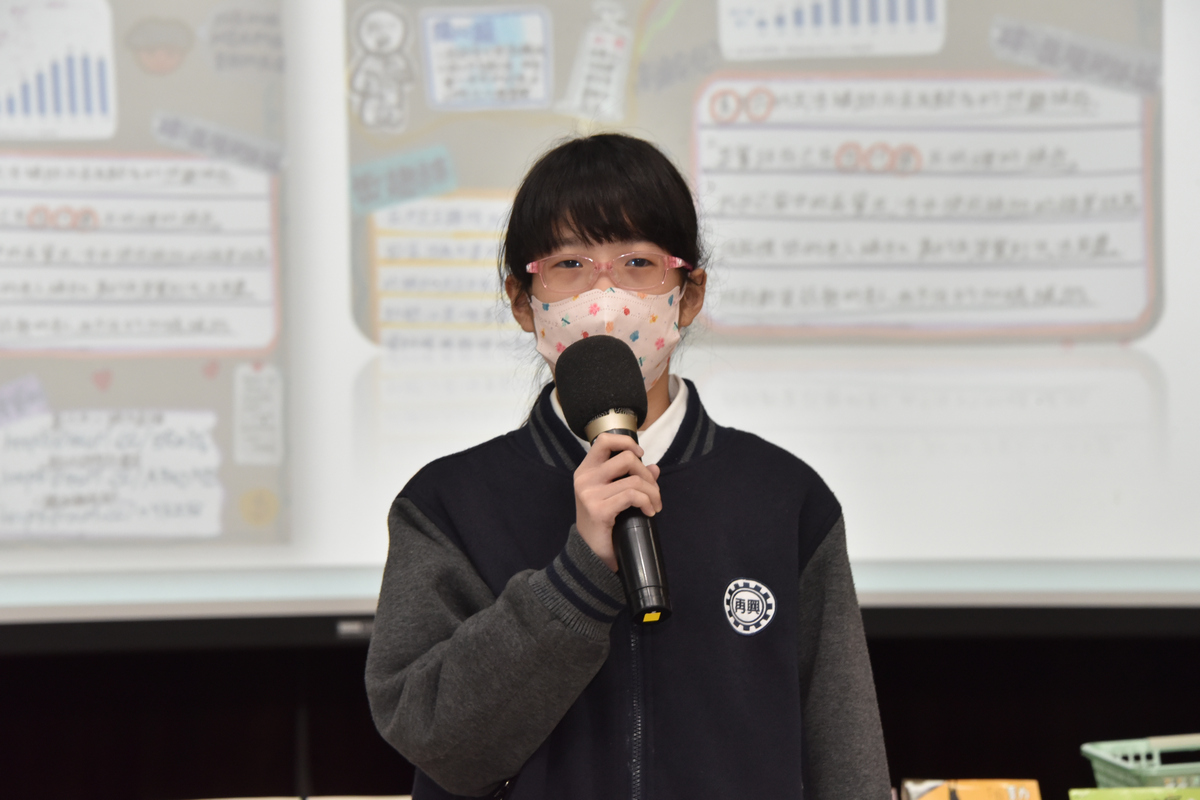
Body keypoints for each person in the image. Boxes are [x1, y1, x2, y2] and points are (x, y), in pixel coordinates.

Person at [365, 134, 891, 799]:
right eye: (570, 264)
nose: (605, 294)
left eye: (638, 262)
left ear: (689, 295)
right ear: (523, 301)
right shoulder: (449, 504)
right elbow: (438, 740)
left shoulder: (784, 498)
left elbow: (846, 760)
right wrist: (576, 578)